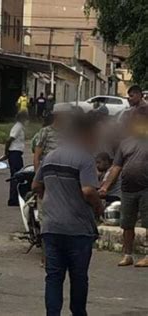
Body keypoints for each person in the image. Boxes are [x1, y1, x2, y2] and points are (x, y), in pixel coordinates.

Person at [32, 114, 104, 316]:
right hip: (78, 230)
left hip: (51, 227)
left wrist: (53, 198)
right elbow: (88, 191)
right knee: (79, 277)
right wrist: (99, 207)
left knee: (53, 276)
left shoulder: (50, 157)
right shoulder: (85, 158)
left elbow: (36, 185)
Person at [99, 105, 148, 267]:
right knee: (127, 224)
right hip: (127, 189)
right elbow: (116, 167)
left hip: (146, 188)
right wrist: (105, 186)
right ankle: (128, 255)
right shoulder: (125, 143)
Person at [33, 103, 72, 171]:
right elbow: (37, 157)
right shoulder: (45, 131)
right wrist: (37, 175)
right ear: (57, 116)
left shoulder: (69, 132)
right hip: (48, 170)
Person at [5, 111, 29, 207]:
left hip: (17, 153)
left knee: (18, 176)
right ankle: (13, 199)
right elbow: (9, 140)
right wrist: (6, 152)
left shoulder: (19, 127)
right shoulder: (18, 127)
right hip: (14, 153)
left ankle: (15, 198)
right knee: (17, 176)